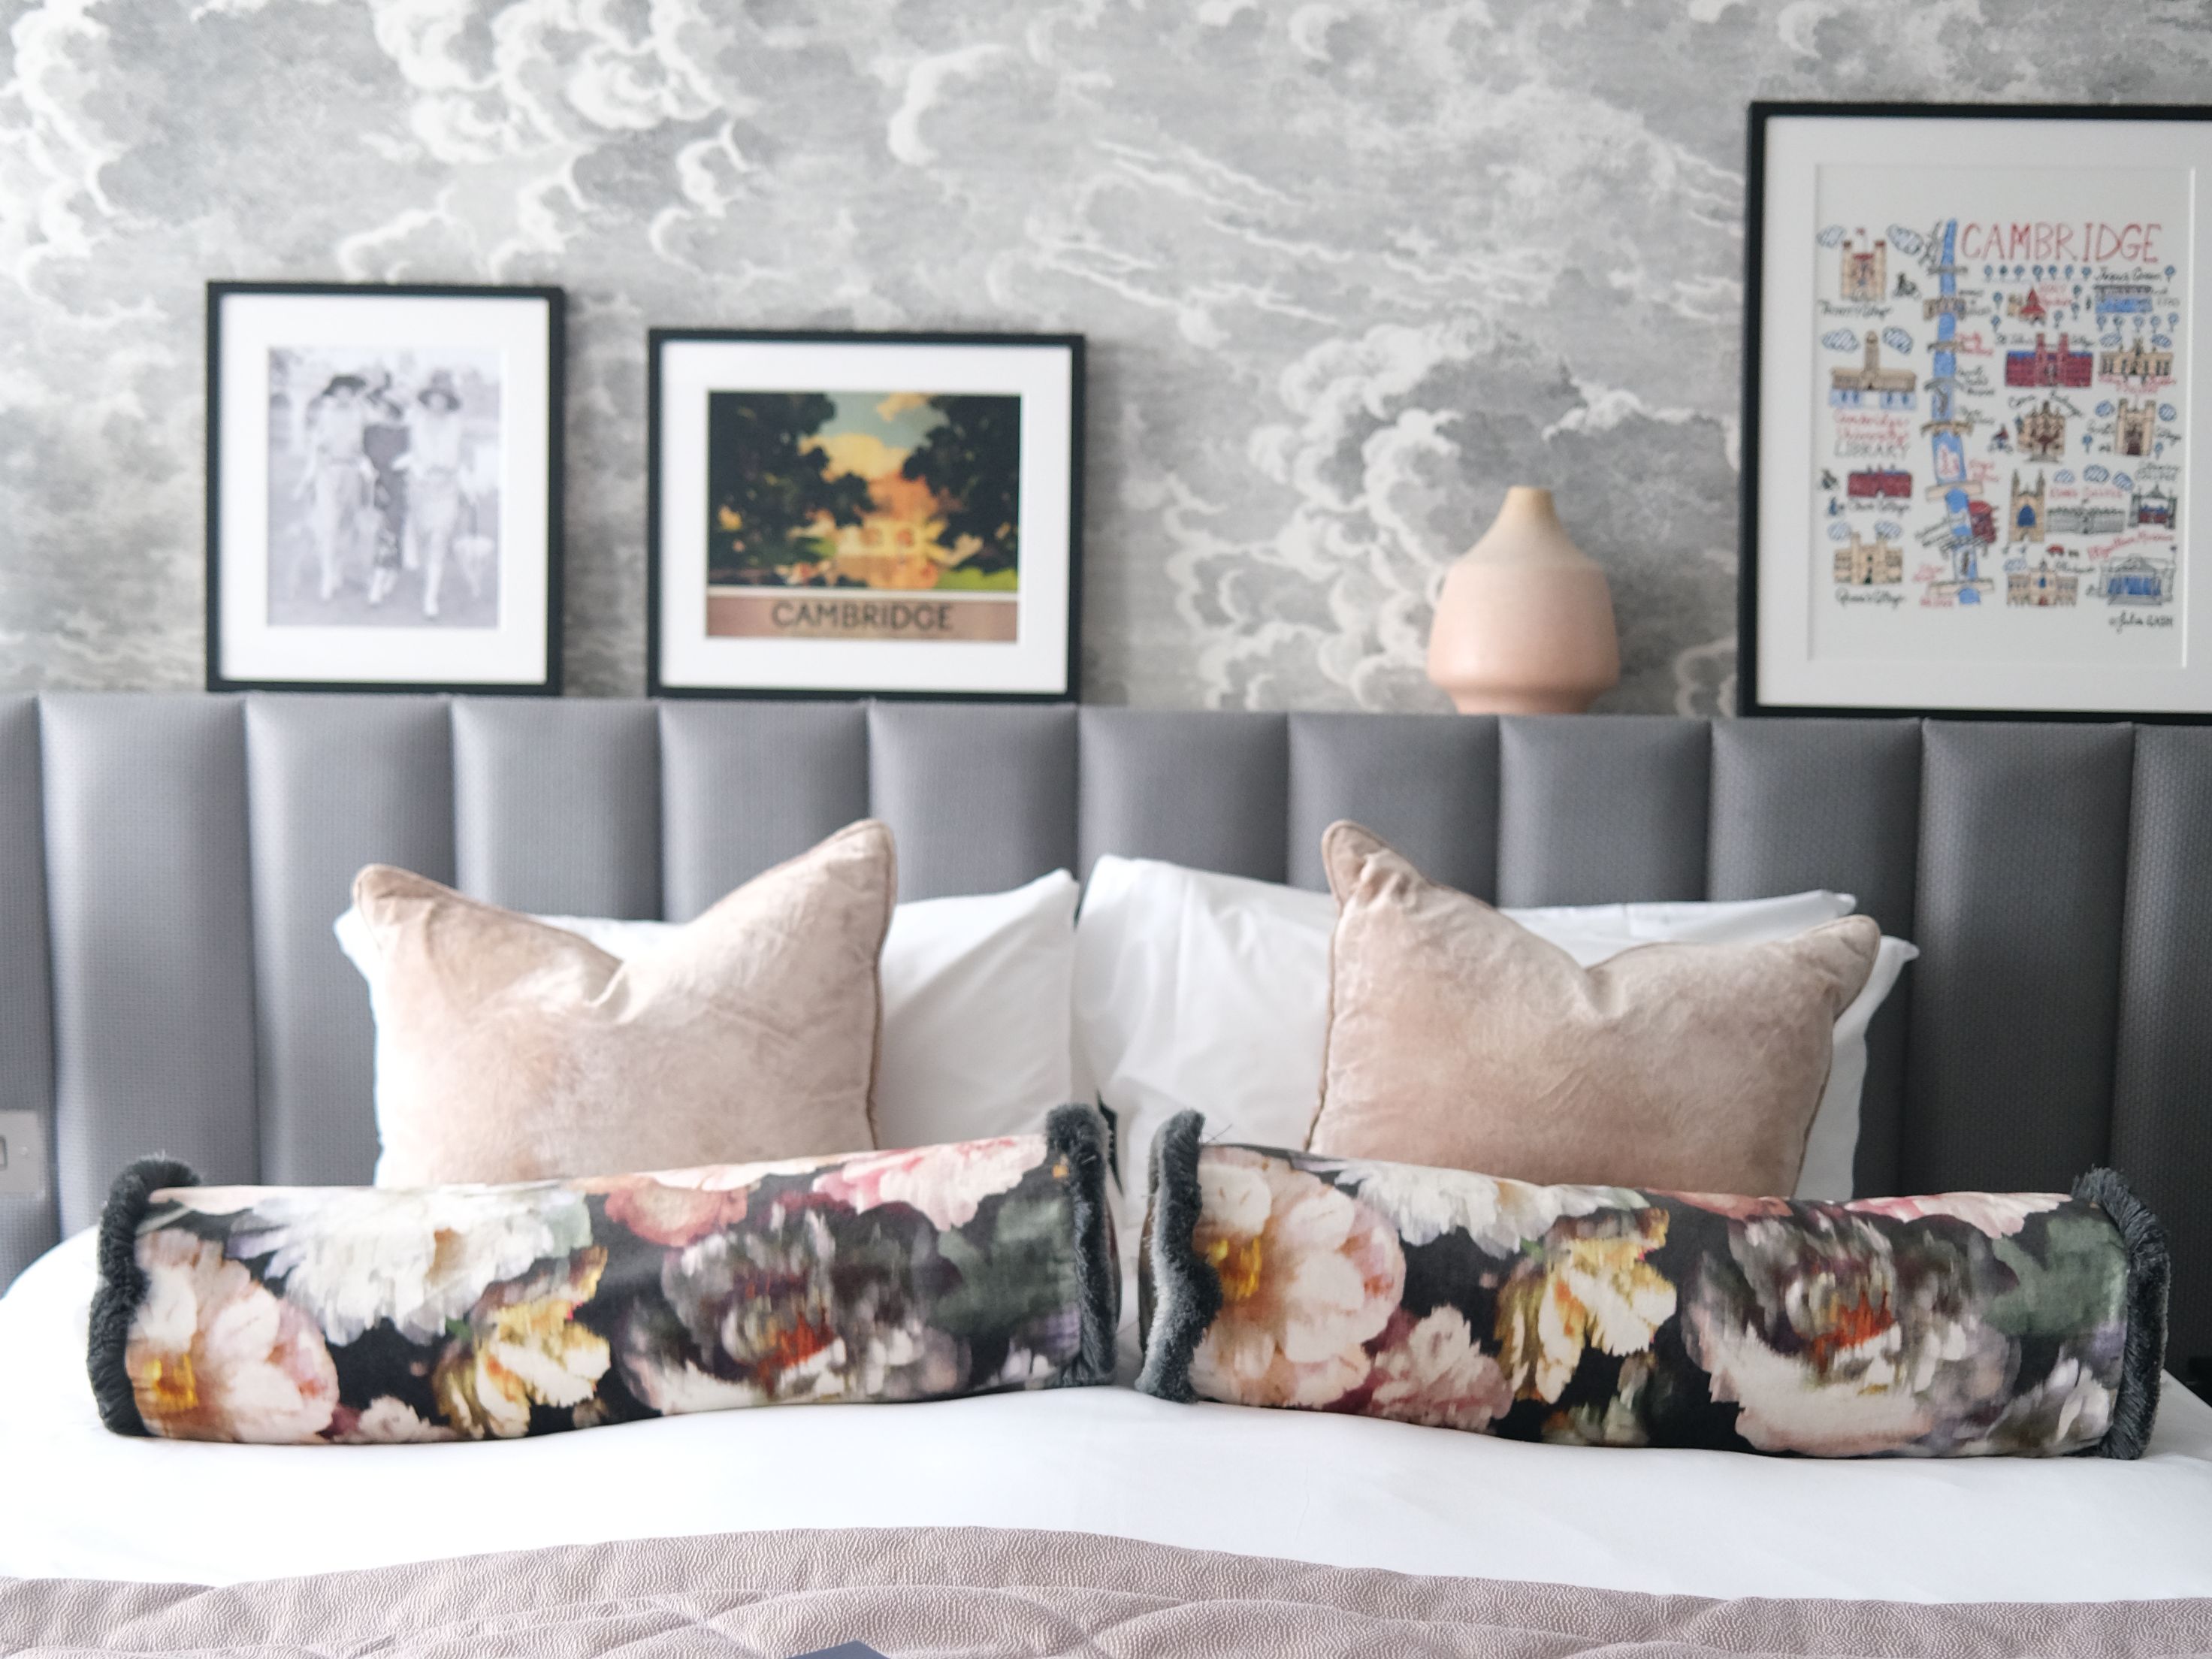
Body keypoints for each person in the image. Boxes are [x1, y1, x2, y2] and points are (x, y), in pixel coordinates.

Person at [397, 370, 473, 620]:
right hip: (420, 487)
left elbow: (464, 459)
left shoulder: (457, 424)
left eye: (443, 398)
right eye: (434, 397)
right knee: (420, 536)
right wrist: (414, 469)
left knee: (439, 541)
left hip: (447, 487)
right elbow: (409, 453)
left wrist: (469, 488)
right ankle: (411, 554)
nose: (438, 402)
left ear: (448, 401)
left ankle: (430, 598)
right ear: (428, 399)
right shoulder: (416, 422)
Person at [296, 373, 373, 602]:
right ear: (333, 394)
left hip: (352, 472)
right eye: (339, 392)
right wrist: (308, 478)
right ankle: (327, 577)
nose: (344, 396)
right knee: (328, 525)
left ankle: (338, 568)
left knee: (348, 526)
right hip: (328, 473)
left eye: (348, 392)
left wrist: (367, 470)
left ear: (353, 395)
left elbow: (367, 445)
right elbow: (315, 449)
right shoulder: (324, 415)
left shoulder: (361, 415)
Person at [361, 374, 411, 607]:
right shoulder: (370, 431)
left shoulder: (406, 434)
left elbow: (414, 457)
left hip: (396, 488)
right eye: (378, 404)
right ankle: (385, 571)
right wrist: (365, 467)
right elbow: (359, 454)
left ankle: (379, 583)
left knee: (390, 533)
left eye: (385, 405)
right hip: (371, 485)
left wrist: (407, 462)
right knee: (372, 534)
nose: (380, 409)